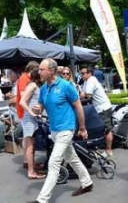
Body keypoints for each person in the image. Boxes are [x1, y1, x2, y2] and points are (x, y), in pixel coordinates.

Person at [29, 58, 93, 203]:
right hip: (54, 129)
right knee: (72, 158)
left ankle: (42, 199)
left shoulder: (65, 86)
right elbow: (41, 106)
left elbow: (78, 106)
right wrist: (37, 109)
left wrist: (82, 127)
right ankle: (87, 182)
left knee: (53, 162)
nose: (38, 72)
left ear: (51, 71)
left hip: (66, 128)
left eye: (41, 69)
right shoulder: (44, 88)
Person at [80, 67, 114, 158]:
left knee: (106, 129)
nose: (81, 75)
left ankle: (108, 150)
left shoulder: (91, 80)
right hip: (98, 108)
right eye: (81, 73)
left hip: (103, 108)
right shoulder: (86, 82)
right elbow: (83, 92)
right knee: (99, 128)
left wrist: (82, 95)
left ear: (89, 73)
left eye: (83, 73)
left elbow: (88, 95)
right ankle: (99, 149)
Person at [19, 67, 46, 180]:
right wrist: (32, 113)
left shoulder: (35, 86)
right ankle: (31, 171)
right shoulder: (33, 86)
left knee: (32, 145)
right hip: (29, 119)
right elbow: (22, 101)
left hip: (32, 118)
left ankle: (32, 168)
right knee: (30, 145)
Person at [16, 60, 40, 170]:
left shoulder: (28, 79)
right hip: (24, 112)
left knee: (28, 139)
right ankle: (27, 162)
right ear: (32, 69)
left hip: (25, 111)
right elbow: (22, 96)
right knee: (28, 139)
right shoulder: (24, 78)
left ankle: (29, 162)